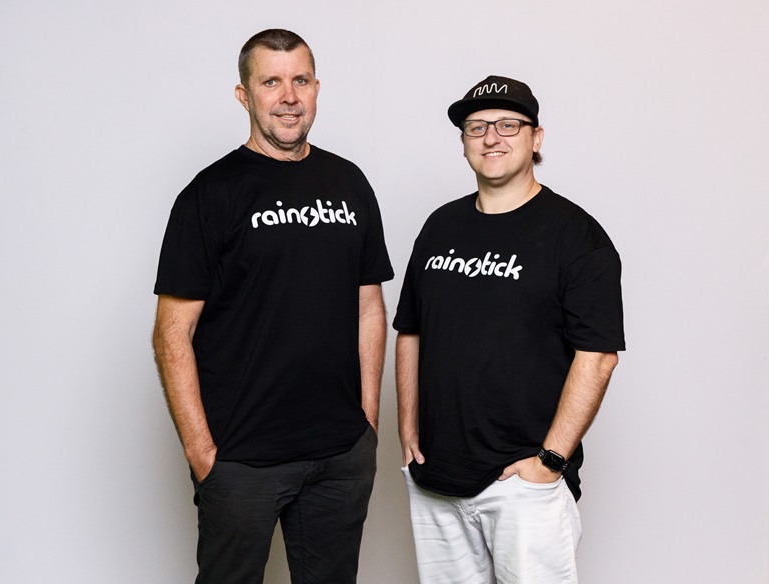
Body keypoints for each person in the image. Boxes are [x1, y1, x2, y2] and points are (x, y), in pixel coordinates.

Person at [152, 28, 394, 584]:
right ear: (244, 94)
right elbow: (171, 334)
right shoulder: (209, 195)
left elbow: (369, 310)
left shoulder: (349, 183)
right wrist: (204, 456)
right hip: (241, 460)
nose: (289, 96)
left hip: (339, 456)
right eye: (271, 82)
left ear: (316, 89)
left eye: (300, 81)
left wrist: (366, 426)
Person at [393, 75, 625, 583]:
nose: (490, 137)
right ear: (463, 142)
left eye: (506, 125)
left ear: (536, 137)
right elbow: (409, 330)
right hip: (435, 477)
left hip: (523, 484)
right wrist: (407, 427)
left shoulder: (576, 236)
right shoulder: (439, 226)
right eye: (476, 127)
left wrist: (550, 460)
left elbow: (599, 356)